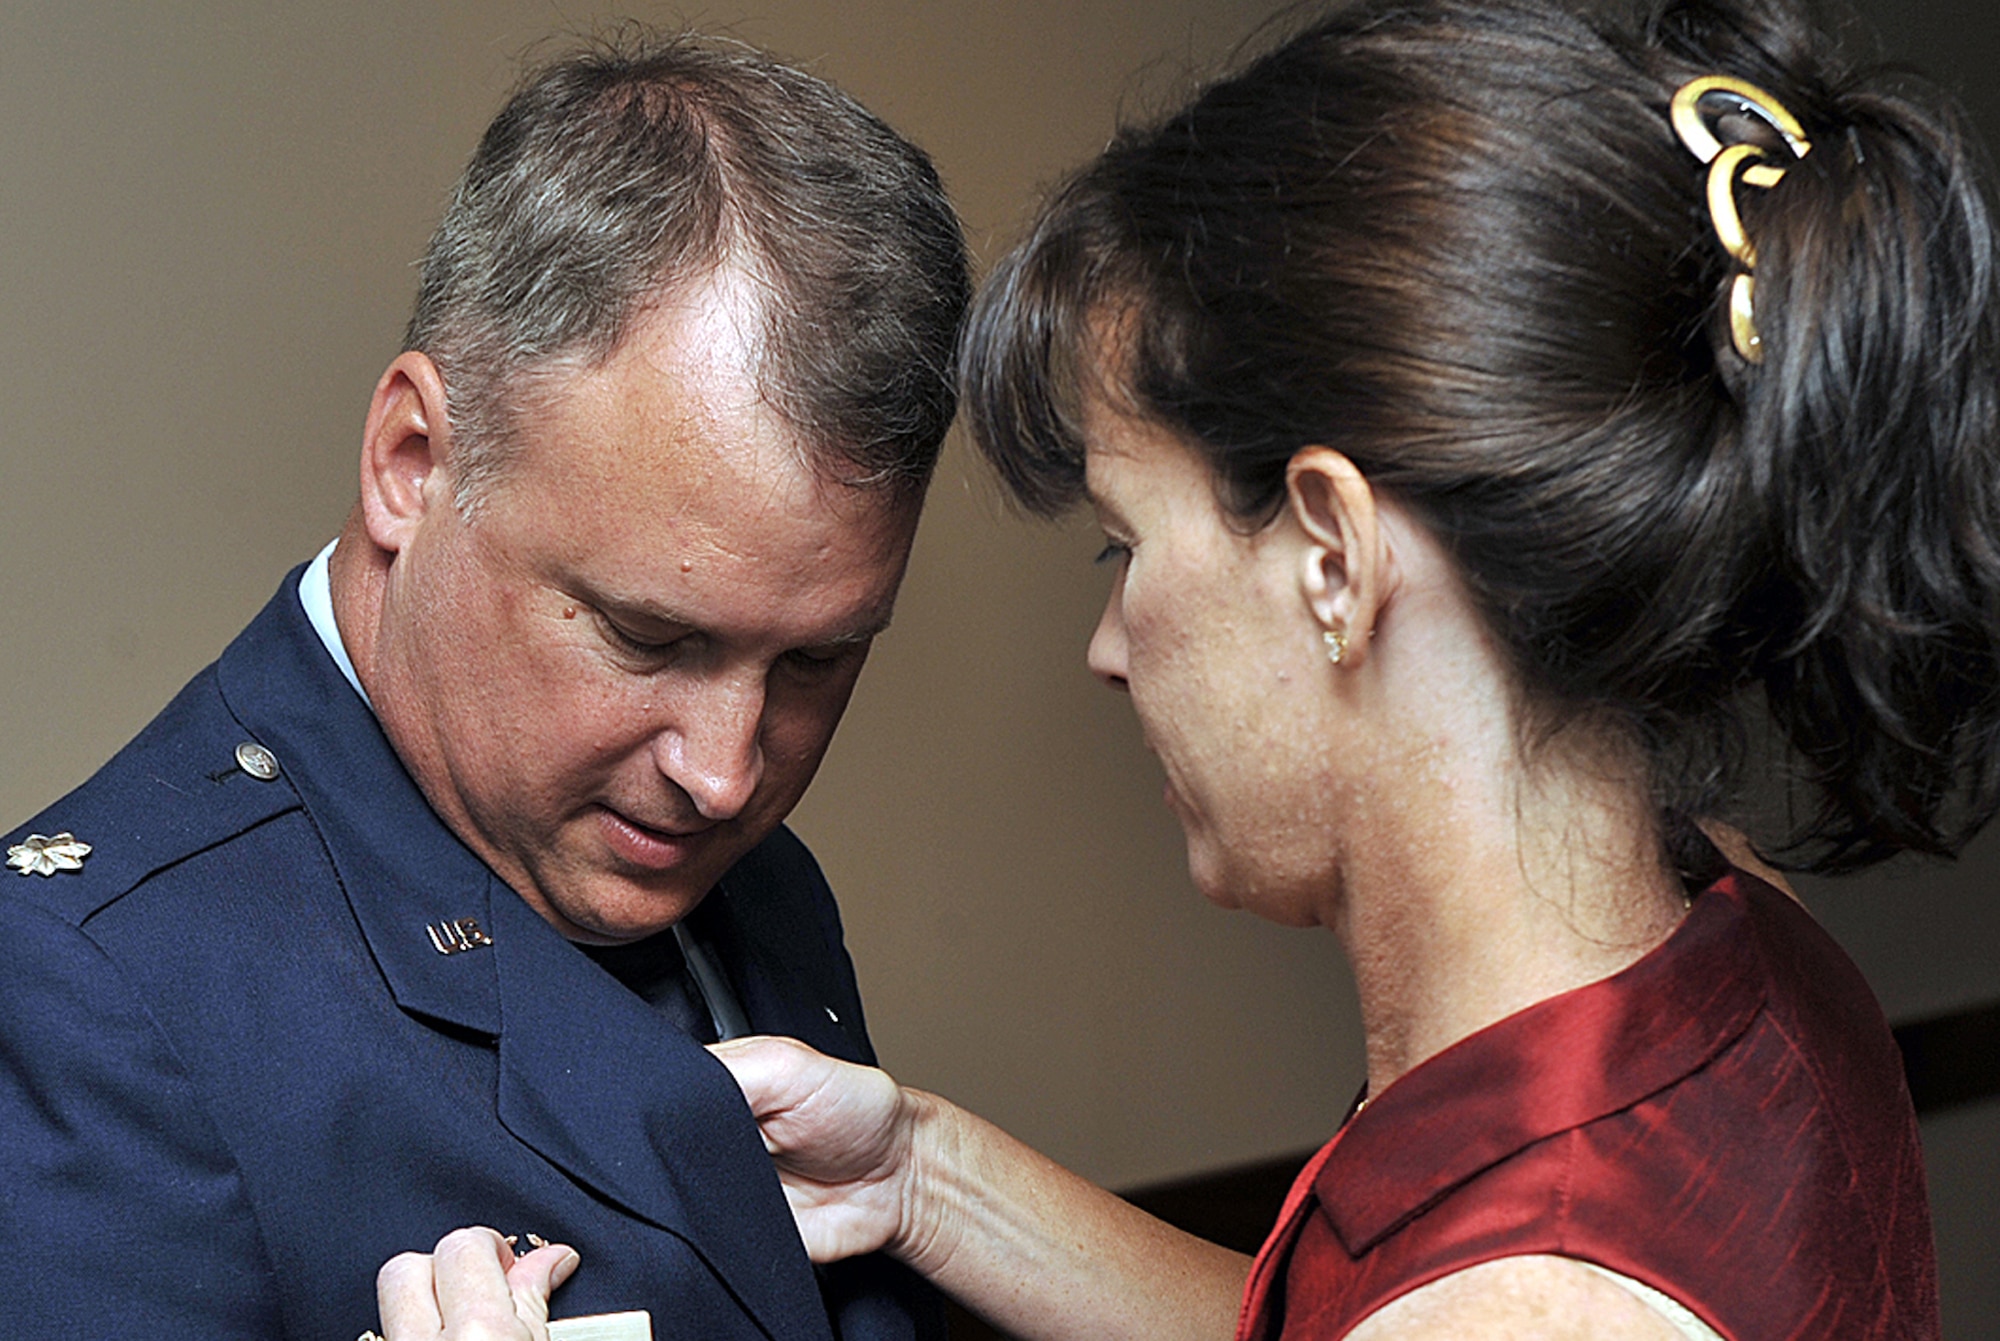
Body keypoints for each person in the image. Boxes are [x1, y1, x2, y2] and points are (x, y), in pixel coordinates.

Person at [385, 0, 2000, 1337]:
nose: (1107, 645)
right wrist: (924, 1173)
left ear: (1329, 556)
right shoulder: (1727, 929)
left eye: (1125, 544)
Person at [0, 30, 968, 1341]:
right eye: (647, 635)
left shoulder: (761, 885)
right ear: (410, 463)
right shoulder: (86, 997)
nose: (730, 770)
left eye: (815, 657)